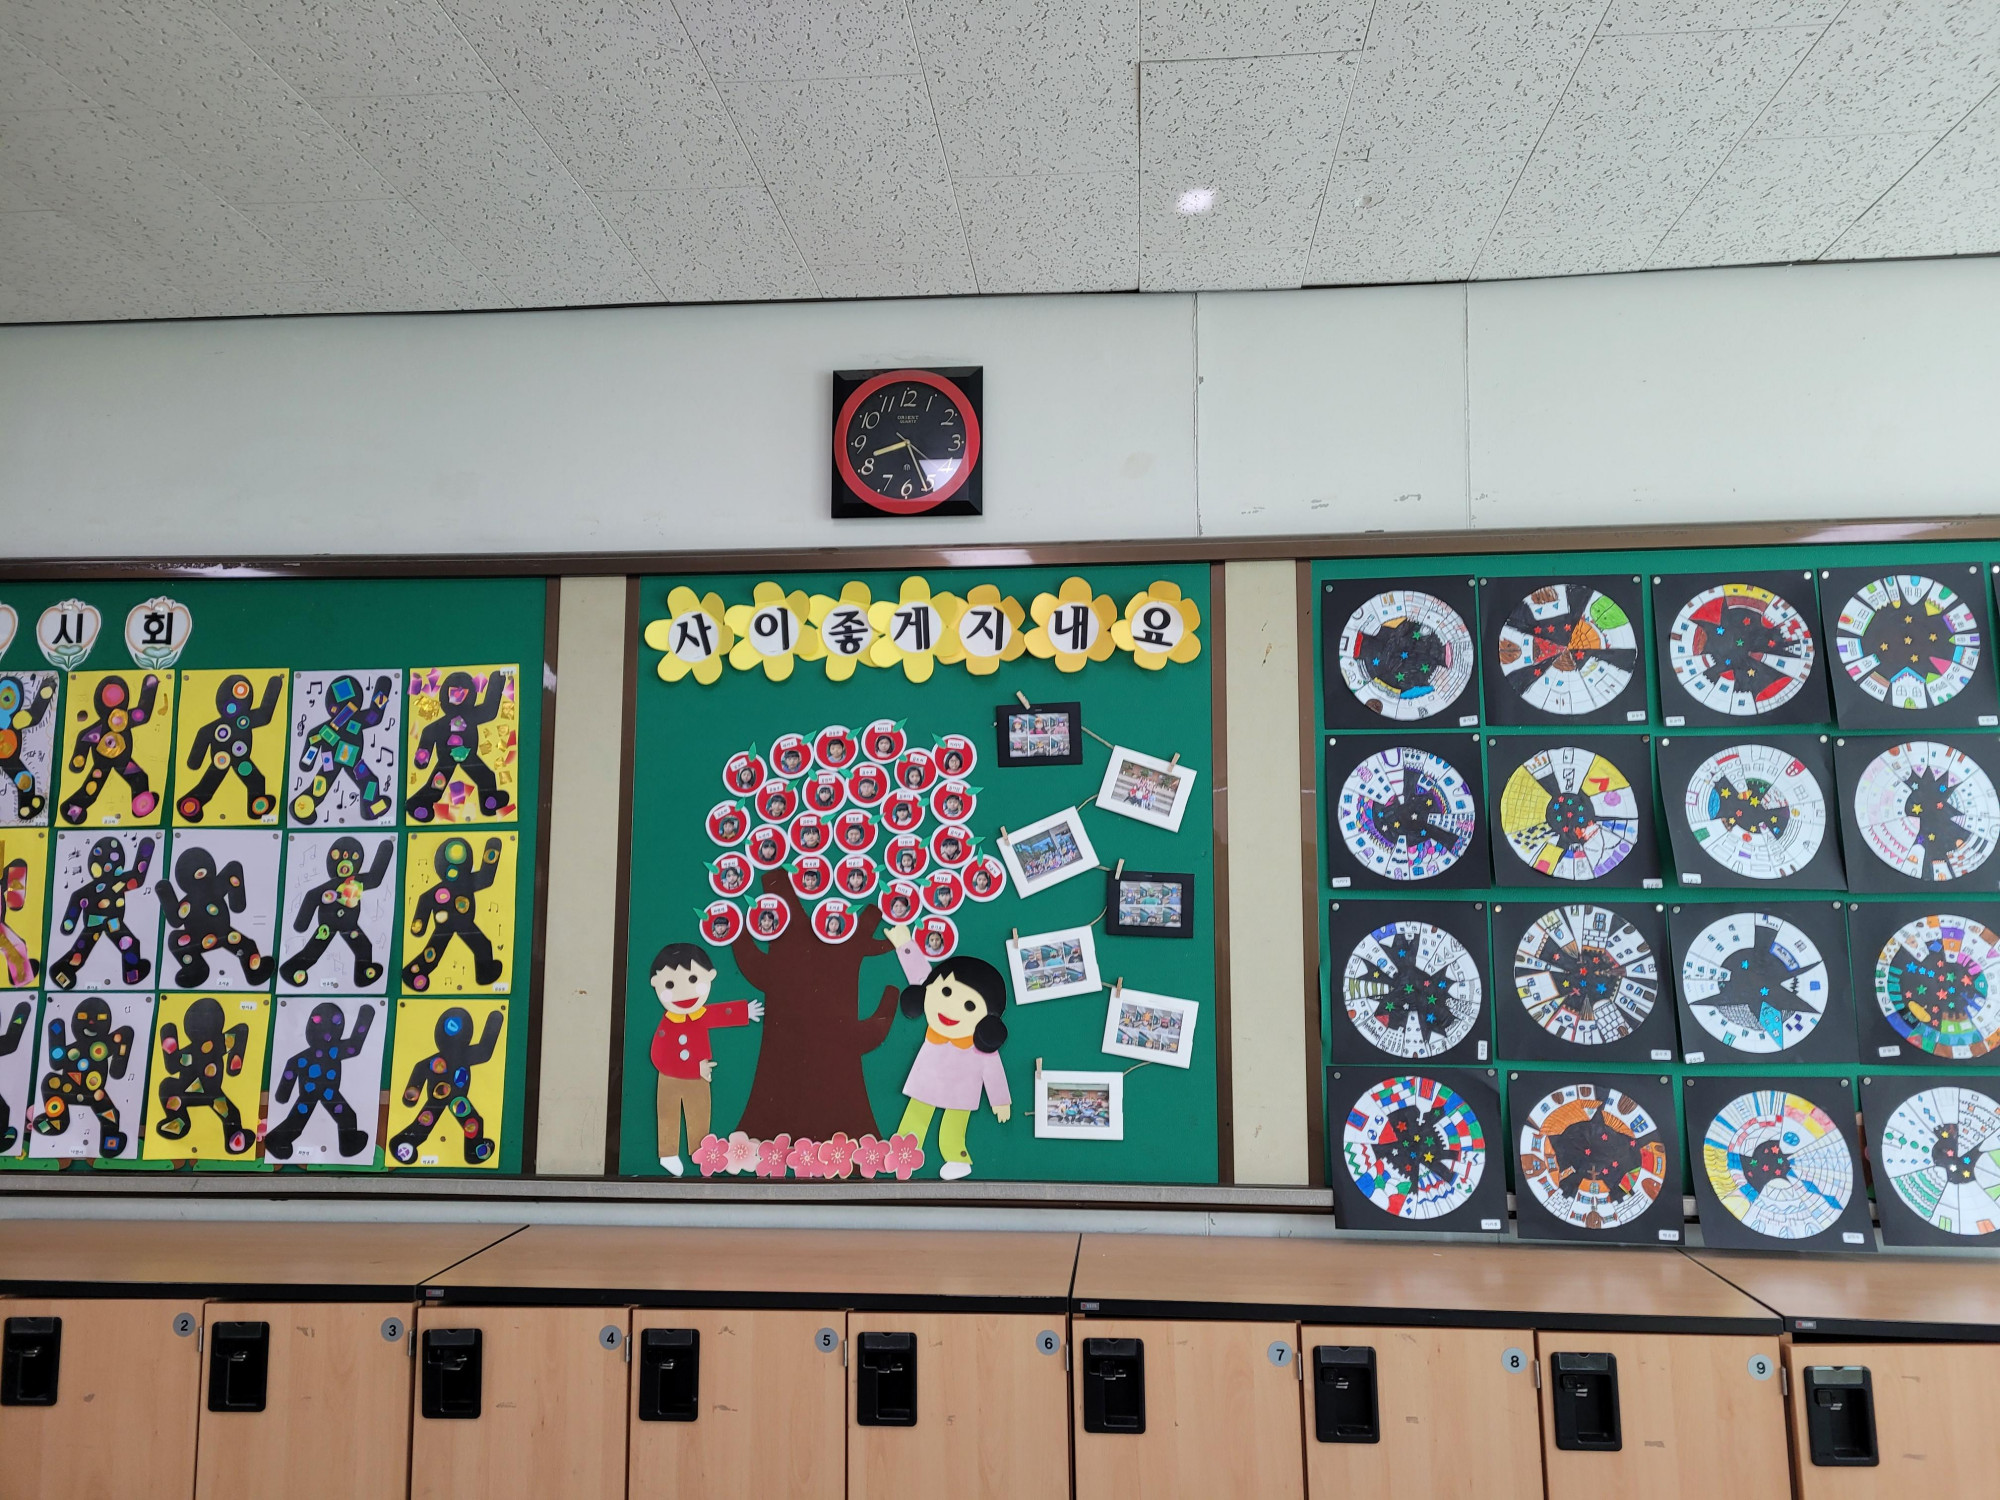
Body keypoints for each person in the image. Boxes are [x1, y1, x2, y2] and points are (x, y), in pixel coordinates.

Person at [649, 943, 763, 1177]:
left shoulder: (701, 1015)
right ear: (655, 985)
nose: (683, 993)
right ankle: (668, 1153)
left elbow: (722, 1014)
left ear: (710, 976)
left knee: (699, 1112)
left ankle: (699, 1151)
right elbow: (657, 1055)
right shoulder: (667, 1023)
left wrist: (745, 1011)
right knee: (668, 1112)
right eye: (670, 985)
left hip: (700, 1076)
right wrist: (693, 1068)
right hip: (670, 1078)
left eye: (693, 979)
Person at [894, 956, 1009, 1181]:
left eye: (970, 1006)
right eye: (946, 992)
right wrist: (904, 945)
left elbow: (994, 1071)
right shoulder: (934, 1031)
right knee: (916, 1114)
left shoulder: (981, 1050)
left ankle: (957, 1158)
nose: (952, 1010)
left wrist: (1000, 1101)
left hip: (962, 1090)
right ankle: (903, 1152)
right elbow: (920, 973)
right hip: (927, 1081)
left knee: (954, 1126)